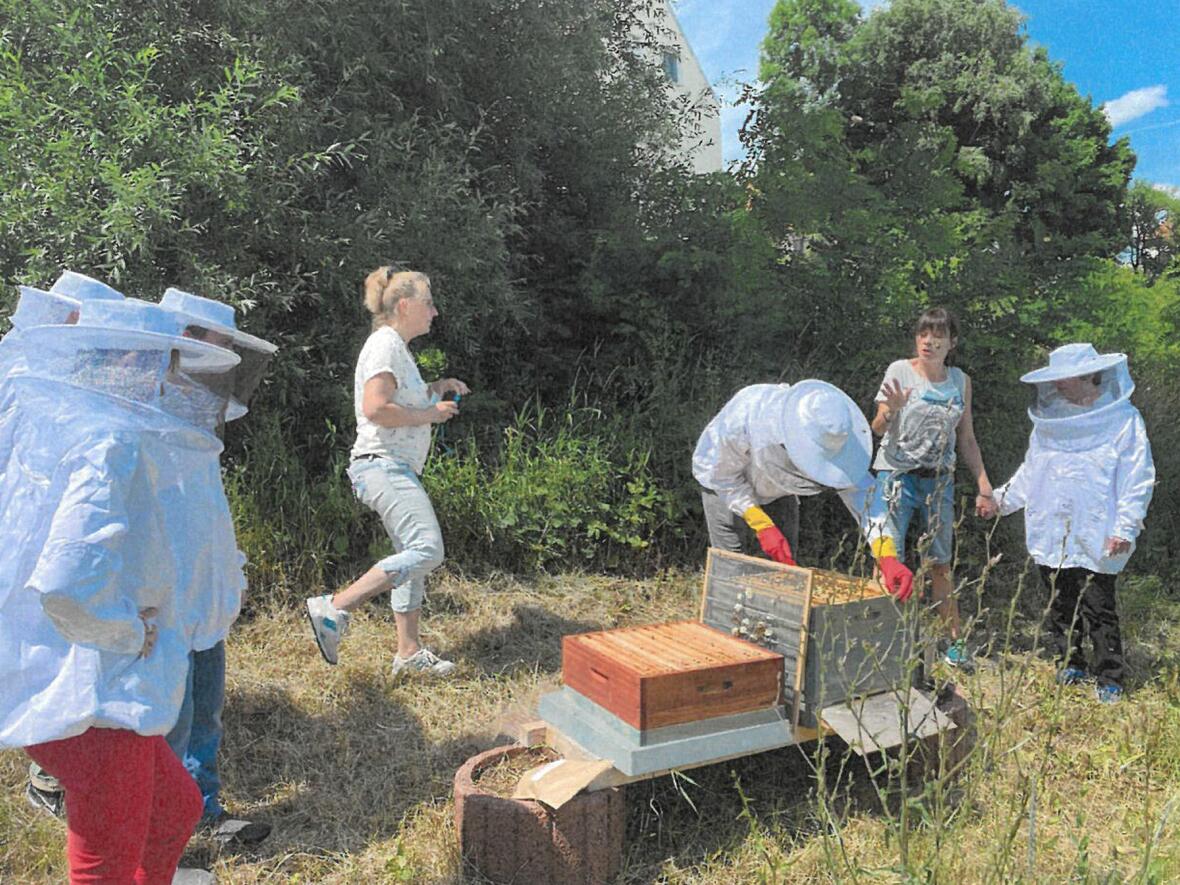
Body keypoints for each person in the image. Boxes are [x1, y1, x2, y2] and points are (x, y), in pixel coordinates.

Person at [0, 298, 242, 883]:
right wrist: (130, 631)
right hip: (95, 689)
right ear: (135, 359)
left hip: (81, 673)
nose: (172, 376)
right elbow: (65, 583)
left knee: (175, 810)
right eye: (166, 361)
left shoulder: (79, 426)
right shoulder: (111, 441)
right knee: (107, 856)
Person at [306, 267, 469, 676]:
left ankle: (409, 652)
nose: (434, 312)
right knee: (428, 549)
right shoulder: (385, 344)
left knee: (411, 558)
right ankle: (334, 608)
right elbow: (376, 407)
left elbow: (402, 399)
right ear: (405, 305)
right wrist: (432, 413)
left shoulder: (396, 349)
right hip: (383, 467)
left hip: (391, 468)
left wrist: (438, 386)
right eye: (428, 303)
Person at [159, 287, 278, 846]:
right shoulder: (146, 410)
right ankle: (166, 836)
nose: (227, 358)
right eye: (219, 344)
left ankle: (203, 808)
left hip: (204, 587)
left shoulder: (200, 415)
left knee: (205, 713)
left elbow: (205, 510)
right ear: (186, 341)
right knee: (170, 721)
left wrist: (227, 570)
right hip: (165, 594)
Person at [994, 343, 1155, 704]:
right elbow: (1032, 471)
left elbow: (1137, 476)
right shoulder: (1050, 421)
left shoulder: (1123, 419)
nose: (1057, 385)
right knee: (1059, 602)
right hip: (1052, 524)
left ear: (1086, 376)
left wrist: (1125, 527)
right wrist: (1000, 501)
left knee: (1098, 606)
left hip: (1099, 529)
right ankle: (1070, 662)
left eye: (1063, 378)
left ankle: (1109, 676)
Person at [692, 379, 914, 600]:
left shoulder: (835, 435)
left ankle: (773, 626)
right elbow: (722, 476)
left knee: (785, 572)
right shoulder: (743, 417)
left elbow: (864, 493)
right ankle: (725, 619)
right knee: (730, 567)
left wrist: (886, 554)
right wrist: (760, 522)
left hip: (779, 491)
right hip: (723, 484)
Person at [869, 307, 995, 669]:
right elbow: (877, 428)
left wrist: (984, 484)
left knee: (940, 563)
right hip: (895, 476)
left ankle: (953, 644)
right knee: (887, 557)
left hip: (939, 481)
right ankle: (881, 643)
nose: (929, 341)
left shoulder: (960, 381)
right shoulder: (899, 371)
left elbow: (966, 437)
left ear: (951, 343)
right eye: (924, 333)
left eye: (938, 335)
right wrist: (890, 410)